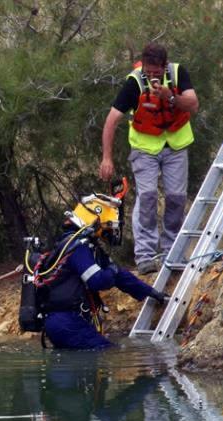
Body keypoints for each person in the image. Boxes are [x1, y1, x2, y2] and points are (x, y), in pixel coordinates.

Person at [99, 43, 199, 275]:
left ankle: (171, 251)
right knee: (147, 196)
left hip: (175, 146)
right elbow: (112, 120)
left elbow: (193, 104)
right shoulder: (134, 83)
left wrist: (170, 97)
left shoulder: (177, 73)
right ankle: (144, 254)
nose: (152, 76)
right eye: (148, 71)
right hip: (145, 148)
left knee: (176, 197)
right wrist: (107, 158)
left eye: (157, 72)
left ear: (165, 66)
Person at [31, 188, 166, 349]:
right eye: (107, 226)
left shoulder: (79, 245)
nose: (109, 232)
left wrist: (150, 292)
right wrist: (111, 271)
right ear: (95, 221)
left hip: (63, 323)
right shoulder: (78, 248)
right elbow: (97, 281)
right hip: (67, 322)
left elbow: (119, 275)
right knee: (109, 352)